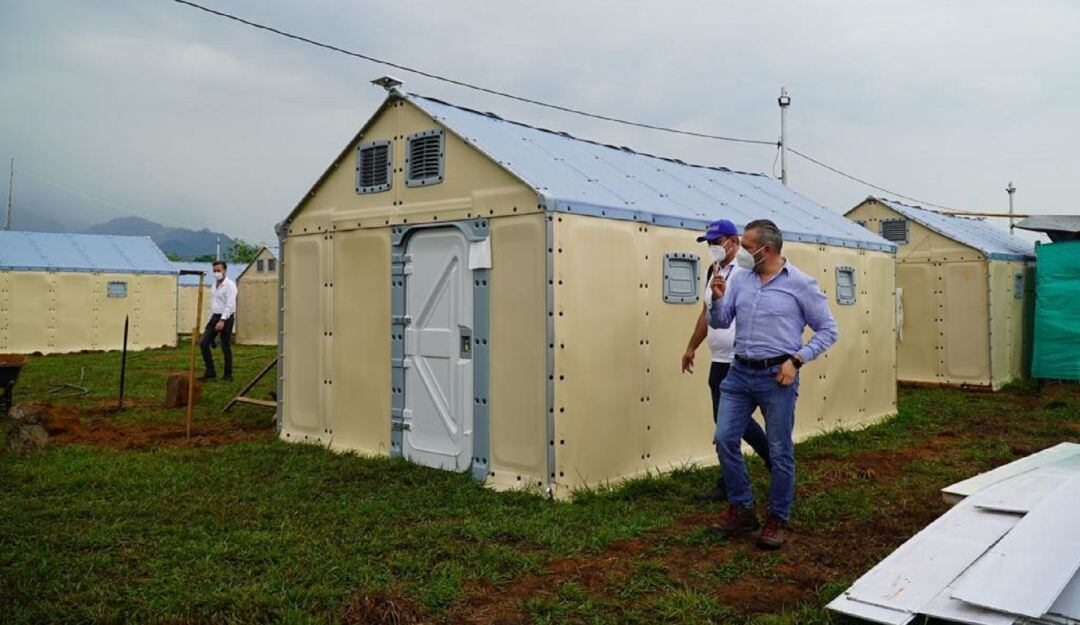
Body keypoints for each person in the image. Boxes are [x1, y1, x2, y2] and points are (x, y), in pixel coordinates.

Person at [707, 219, 839, 549]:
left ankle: (777, 518)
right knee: (724, 438)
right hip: (739, 372)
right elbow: (721, 321)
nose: (742, 253)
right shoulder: (741, 280)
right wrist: (717, 299)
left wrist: (797, 360)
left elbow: (828, 330)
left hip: (776, 377)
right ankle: (742, 509)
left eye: (748, 247)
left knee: (779, 451)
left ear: (767, 249)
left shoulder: (801, 284)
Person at [681, 219, 772, 502]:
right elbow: (706, 313)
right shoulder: (714, 270)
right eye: (708, 243)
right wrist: (691, 346)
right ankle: (738, 475)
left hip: (739, 359)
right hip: (718, 360)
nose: (712, 248)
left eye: (716, 242)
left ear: (733, 241)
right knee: (726, 424)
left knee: (733, 423)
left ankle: (765, 465)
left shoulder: (746, 271)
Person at [197, 260, 237, 382]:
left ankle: (227, 375)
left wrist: (222, 320)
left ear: (225, 270)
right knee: (203, 343)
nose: (216, 273)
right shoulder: (214, 284)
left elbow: (230, 305)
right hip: (214, 316)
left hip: (226, 317)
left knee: (225, 346)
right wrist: (211, 320)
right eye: (214, 270)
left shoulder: (230, 285)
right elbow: (213, 304)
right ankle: (210, 371)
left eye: (218, 270)